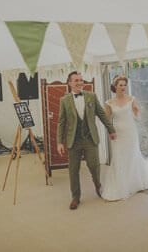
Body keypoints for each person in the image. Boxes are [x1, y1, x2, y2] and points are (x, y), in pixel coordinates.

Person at [56, 71, 116, 210]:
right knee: (73, 170)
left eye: (81, 80)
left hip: (90, 138)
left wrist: (111, 130)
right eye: (76, 80)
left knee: (94, 166)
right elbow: (61, 122)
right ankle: (75, 197)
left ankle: (98, 185)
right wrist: (59, 142)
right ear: (70, 83)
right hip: (73, 140)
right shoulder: (64, 100)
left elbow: (101, 114)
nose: (79, 82)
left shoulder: (91, 96)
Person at [99, 75, 148, 201]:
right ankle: (120, 185)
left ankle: (135, 182)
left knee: (133, 155)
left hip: (130, 131)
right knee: (119, 156)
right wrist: (110, 131)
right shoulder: (109, 103)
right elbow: (106, 120)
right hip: (117, 133)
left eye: (124, 85)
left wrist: (137, 111)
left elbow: (137, 116)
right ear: (115, 86)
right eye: (120, 85)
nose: (123, 87)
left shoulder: (131, 99)